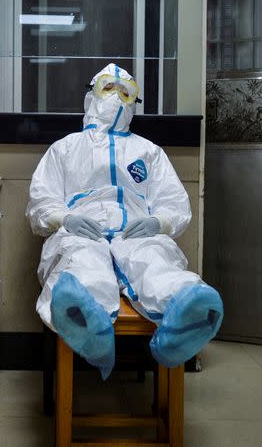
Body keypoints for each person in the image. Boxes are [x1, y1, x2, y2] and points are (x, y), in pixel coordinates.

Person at [26, 63, 223, 379]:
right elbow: (42, 198)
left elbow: (173, 202)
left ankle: (187, 307)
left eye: (126, 92)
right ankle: (87, 320)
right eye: (108, 88)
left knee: (154, 259)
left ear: (135, 102)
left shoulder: (148, 152)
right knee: (80, 259)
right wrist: (65, 218)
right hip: (82, 231)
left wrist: (158, 222)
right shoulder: (65, 148)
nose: (117, 97)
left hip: (135, 230)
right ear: (91, 94)